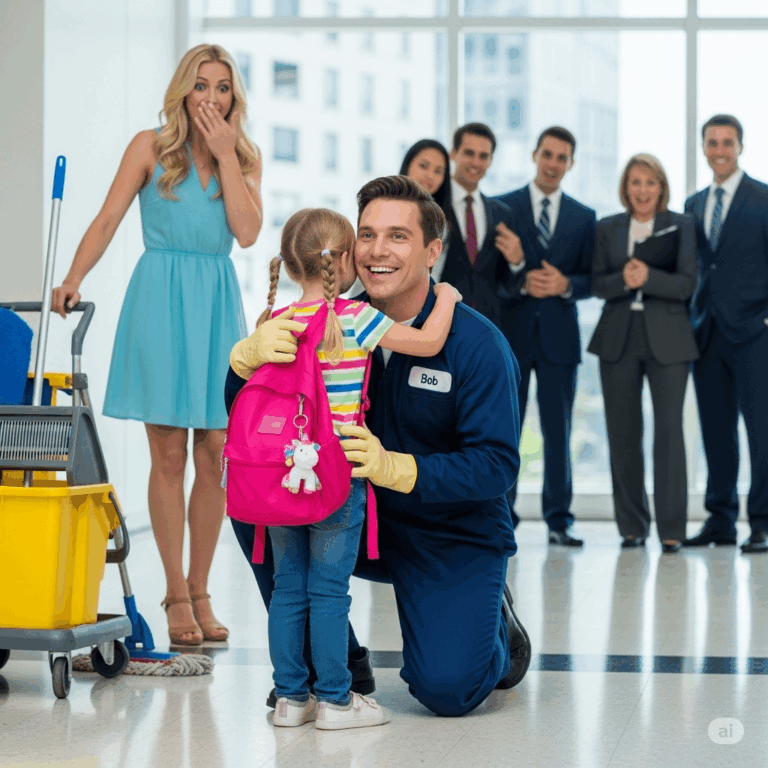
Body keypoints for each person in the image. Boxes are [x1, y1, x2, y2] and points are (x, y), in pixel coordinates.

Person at [227, 176, 531, 718]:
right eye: (366, 235)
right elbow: (253, 420)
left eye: (397, 236)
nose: (376, 251)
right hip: (350, 513)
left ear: (433, 251)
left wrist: (400, 469)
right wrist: (243, 362)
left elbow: (497, 466)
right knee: (257, 501)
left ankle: (497, 629)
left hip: (448, 530)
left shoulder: (477, 344)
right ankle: (333, 665)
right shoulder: (326, 324)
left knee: (448, 690)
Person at [51, 44, 263, 645]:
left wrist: (225, 156)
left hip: (217, 301)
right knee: (168, 454)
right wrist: (72, 278)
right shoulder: (150, 146)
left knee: (217, 450)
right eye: (202, 86)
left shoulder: (242, 157)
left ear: (234, 98)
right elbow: (107, 218)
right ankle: (173, 593)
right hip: (161, 300)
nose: (213, 98)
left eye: (223, 87)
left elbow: (246, 234)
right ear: (183, 92)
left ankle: (201, 587)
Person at [240, 207, 460, 729]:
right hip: (337, 476)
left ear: (292, 264)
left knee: (289, 588)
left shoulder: (275, 323)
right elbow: (428, 342)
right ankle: (337, 700)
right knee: (329, 591)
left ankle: (292, 699)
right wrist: (447, 296)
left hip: (282, 476)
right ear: (342, 260)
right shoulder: (357, 320)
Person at [589, 154, 698, 553]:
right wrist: (624, 279)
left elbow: (688, 284)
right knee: (623, 433)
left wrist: (649, 278)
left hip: (668, 339)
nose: (642, 190)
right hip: (618, 337)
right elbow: (598, 284)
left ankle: (672, 529)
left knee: (669, 432)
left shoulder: (681, 226)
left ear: (661, 186)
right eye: (635, 182)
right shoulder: (608, 228)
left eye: (650, 182)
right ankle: (631, 527)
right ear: (626, 187)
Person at [495, 127, 596, 546]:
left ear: (570, 163)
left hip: (559, 339)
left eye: (562, 157)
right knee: (506, 430)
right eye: (547, 154)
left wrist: (565, 285)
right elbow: (496, 278)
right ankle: (503, 518)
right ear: (535, 155)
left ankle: (560, 520)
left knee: (559, 431)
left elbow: (591, 280)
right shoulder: (505, 208)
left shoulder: (583, 216)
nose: (553, 163)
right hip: (513, 337)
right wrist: (522, 277)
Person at [683, 115, 768, 554]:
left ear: (740, 146)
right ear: (703, 148)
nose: (719, 150)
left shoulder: (763, 198)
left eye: (727, 142)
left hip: (755, 332)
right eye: (712, 143)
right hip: (707, 332)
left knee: (761, 432)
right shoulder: (693, 204)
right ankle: (720, 520)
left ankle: (762, 522)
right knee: (717, 433)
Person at [431, 123, 519, 317]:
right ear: (453, 153)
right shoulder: (432, 205)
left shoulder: (502, 214)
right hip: (437, 320)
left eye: (483, 156)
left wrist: (517, 262)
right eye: (469, 153)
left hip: (486, 324)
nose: (476, 163)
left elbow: (509, 285)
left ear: (491, 160)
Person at [399, 139, 452, 225]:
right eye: (423, 166)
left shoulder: (445, 221)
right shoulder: (384, 208)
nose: (430, 176)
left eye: (438, 171)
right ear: (408, 165)